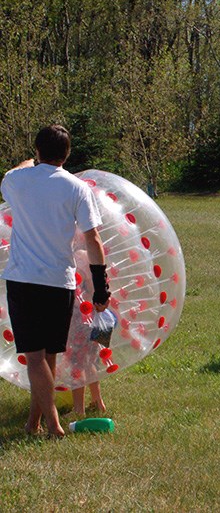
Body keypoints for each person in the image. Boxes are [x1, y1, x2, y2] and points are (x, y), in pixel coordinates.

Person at [2, 125, 110, 438]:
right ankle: (33, 423)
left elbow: (14, 171)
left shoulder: (17, 180)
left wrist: (27, 163)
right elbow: (93, 238)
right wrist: (101, 286)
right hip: (61, 283)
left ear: (37, 151)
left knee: (34, 359)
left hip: (24, 281)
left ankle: (53, 425)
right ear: (67, 154)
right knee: (47, 356)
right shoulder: (77, 188)